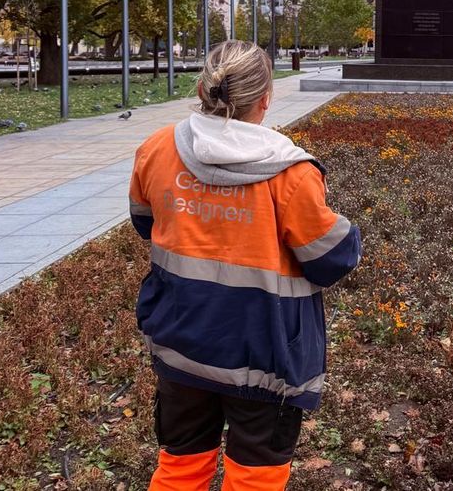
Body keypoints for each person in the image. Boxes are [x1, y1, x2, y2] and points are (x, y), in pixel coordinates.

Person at [129, 40, 362, 490]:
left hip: (182, 343)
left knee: (180, 466)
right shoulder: (291, 172)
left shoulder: (157, 149)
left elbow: (145, 222)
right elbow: (329, 259)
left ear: (202, 88)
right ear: (265, 99)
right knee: (255, 477)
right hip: (266, 356)